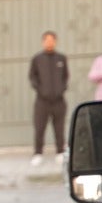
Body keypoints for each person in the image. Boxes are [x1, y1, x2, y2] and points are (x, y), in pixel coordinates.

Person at [30, 31, 69, 167]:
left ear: (55, 41)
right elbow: (32, 77)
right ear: (43, 42)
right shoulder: (37, 59)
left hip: (59, 100)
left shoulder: (61, 58)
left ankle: (60, 152)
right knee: (39, 128)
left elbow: (65, 77)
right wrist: (41, 90)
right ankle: (38, 153)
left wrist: (61, 89)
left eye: (52, 40)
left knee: (59, 128)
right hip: (42, 101)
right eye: (47, 40)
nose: (49, 43)